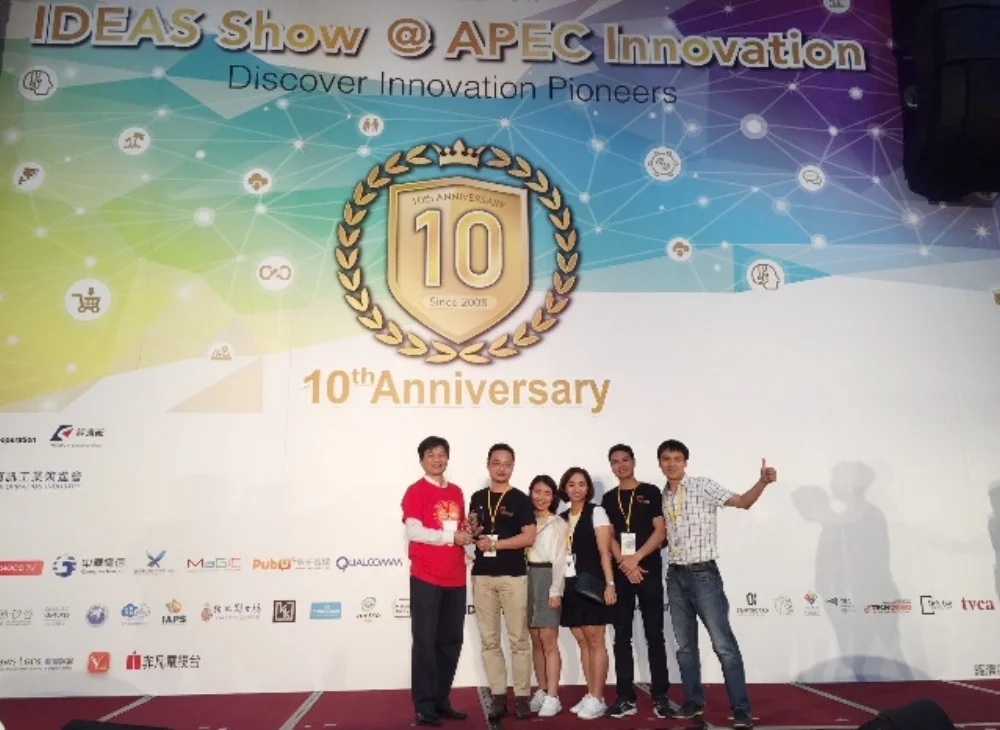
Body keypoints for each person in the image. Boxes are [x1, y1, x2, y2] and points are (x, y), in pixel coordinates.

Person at [658, 439, 778, 730]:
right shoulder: (663, 495)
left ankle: (741, 708)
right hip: (675, 575)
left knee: (723, 645)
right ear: (659, 463)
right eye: (666, 459)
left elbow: (743, 502)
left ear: (685, 462)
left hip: (703, 575)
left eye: (677, 459)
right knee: (685, 647)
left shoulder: (702, 486)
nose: (671, 464)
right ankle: (693, 702)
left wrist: (762, 482)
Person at [401, 436, 472, 727]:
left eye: (441, 454)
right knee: (425, 642)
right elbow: (414, 531)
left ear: (447, 458)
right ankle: (424, 706)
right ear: (422, 460)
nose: (437, 459)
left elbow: (462, 528)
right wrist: (450, 536)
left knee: (451, 641)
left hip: (456, 576)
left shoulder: (456, 491)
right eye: (430, 455)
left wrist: (469, 543)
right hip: (426, 577)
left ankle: (442, 700)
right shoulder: (415, 491)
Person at [601, 444, 672, 719]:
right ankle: (624, 697)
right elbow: (609, 537)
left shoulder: (651, 492)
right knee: (621, 636)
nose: (621, 465)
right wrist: (625, 563)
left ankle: (661, 696)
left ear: (633, 462)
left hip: (648, 569)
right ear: (611, 466)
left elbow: (660, 531)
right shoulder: (608, 498)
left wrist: (636, 558)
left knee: (655, 634)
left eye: (625, 460)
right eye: (615, 462)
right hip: (621, 573)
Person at [468, 444, 537, 720]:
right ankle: (497, 697)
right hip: (483, 576)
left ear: (513, 467)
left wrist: (496, 544)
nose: (501, 468)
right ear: (488, 465)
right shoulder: (477, 497)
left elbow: (529, 537)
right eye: (496, 463)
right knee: (489, 641)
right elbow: (474, 530)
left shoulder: (520, 499)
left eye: (507, 464)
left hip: (513, 576)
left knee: (519, 639)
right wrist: (472, 533)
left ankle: (522, 697)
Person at [558, 466, 617, 720]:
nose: (577, 489)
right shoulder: (561, 517)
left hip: (592, 583)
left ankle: (598, 697)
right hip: (570, 584)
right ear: (564, 488)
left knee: (595, 640)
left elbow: (605, 551)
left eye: (582, 484)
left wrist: (610, 583)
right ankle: (592, 693)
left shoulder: (597, 512)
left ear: (588, 488)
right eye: (572, 484)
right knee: (582, 639)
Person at [525, 474, 569, 717]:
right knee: (535, 639)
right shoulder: (525, 520)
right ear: (530, 493)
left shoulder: (558, 523)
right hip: (525, 578)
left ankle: (553, 695)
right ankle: (541, 689)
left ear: (554, 497)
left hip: (547, 577)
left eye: (547, 493)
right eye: (537, 492)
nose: (541, 497)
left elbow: (561, 558)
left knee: (549, 639)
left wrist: (555, 590)